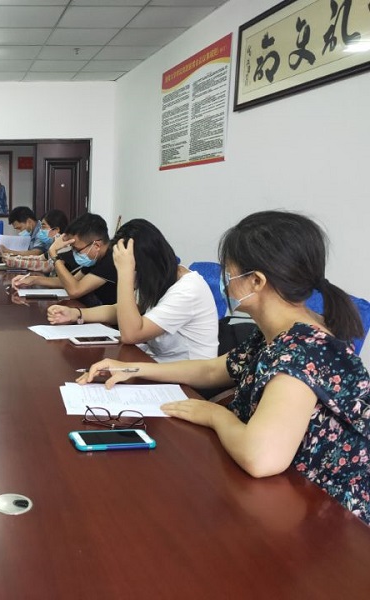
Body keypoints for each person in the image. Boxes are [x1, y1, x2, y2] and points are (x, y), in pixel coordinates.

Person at [79, 211, 370, 524]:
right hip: (283, 496)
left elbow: (261, 458)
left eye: (228, 272)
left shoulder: (302, 351)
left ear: (256, 281)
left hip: (330, 516)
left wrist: (214, 414)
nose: (224, 281)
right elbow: (212, 370)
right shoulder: (276, 332)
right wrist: (134, 370)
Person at [48, 219, 218, 361]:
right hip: (156, 362)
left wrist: (125, 274)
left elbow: (131, 334)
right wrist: (76, 314)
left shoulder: (187, 290)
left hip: (186, 379)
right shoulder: (158, 279)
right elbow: (120, 309)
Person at [12, 212, 117, 306]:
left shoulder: (110, 260)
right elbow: (70, 281)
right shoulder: (95, 258)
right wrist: (34, 280)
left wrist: (54, 254)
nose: (74, 253)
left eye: (77, 249)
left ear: (97, 245)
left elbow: (74, 290)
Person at [0, 209, 69, 258]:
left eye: (43, 227)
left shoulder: (64, 249)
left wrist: (8, 252)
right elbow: (40, 259)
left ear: (56, 230)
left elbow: (37, 256)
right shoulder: (51, 245)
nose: (40, 230)